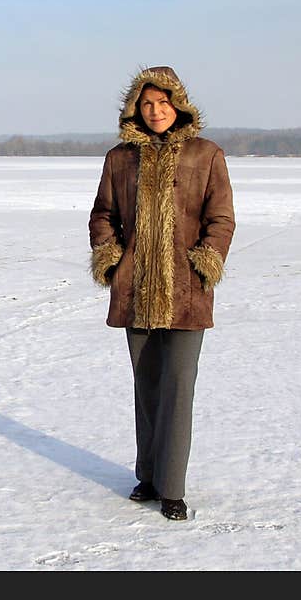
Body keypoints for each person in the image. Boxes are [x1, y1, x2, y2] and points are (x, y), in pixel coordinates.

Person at [88, 66, 235, 520]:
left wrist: (205, 260)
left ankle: (173, 488)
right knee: (147, 387)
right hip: (135, 290)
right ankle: (148, 477)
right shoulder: (119, 159)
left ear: (179, 104)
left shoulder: (206, 155)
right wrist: (111, 257)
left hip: (186, 292)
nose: (155, 111)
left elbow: (222, 218)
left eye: (163, 102)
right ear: (136, 107)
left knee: (177, 387)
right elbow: (102, 215)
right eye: (147, 104)